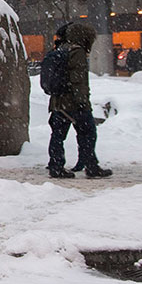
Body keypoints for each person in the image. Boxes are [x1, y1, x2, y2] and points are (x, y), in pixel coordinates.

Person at [48, 23, 113, 178]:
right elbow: (79, 81)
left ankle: (55, 166)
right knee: (88, 132)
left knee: (57, 135)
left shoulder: (61, 49)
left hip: (58, 101)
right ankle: (91, 166)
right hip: (74, 103)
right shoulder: (77, 52)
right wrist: (83, 103)